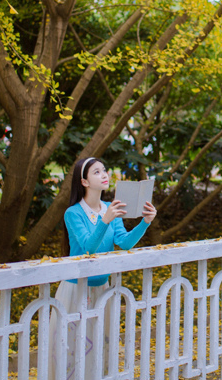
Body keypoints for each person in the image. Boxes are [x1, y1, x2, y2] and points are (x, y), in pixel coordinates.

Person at [49, 157, 156, 380]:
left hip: (102, 289)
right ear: (84, 182)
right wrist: (104, 220)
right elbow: (88, 247)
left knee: (100, 345)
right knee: (71, 348)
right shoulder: (73, 213)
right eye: (96, 172)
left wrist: (144, 222)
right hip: (75, 289)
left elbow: (124, 242)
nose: (104, 174)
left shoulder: (110, 208)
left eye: (105, 170)